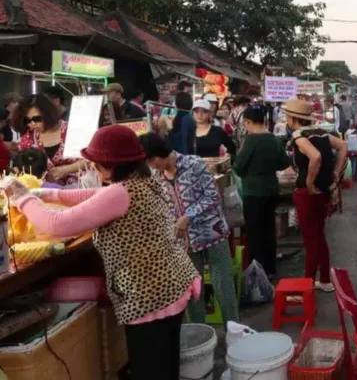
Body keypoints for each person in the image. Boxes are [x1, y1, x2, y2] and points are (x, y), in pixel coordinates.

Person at [0, 126, 199, 379]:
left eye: (97, 164)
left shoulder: (121, 192)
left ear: (112, 166)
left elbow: (56, 225)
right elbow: (94, 195)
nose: (93, 168)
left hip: (151, 296)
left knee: (151, 370)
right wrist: (46, 193)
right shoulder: (144, 180)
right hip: (173, 285)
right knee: (166, 365)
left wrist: (22, 197)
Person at [140, 133, 238, 327]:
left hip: (213, 233)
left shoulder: (194, 164)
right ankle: (200, 335)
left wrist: (188, 216)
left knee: (223, 284)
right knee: (193, 290)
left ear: (161, 152)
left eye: (152, 160)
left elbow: (212, 196)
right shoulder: (156, 178)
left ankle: (234, 331)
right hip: (183, 242)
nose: (151, 165)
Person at [285, 99, 347, 292]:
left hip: (308, 193)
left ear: (292, 118)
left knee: (311, 239)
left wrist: (309, 182)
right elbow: (343, 146)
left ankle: (308, 284)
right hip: (324, 191)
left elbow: (316, 157)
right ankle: (325, 280)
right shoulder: (321, 133)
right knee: (319, 236)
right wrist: (336, 172)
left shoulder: (299, 136)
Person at [232, 105, 291, 279]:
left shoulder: (250, 141)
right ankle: (271, 268)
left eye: (245, 123)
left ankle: (256, 272)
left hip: (253, 192)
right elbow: (283, 163)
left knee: (254, 233)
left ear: (248, 121)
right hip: (272, 189)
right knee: (269, 230)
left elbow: (238, 167)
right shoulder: (273, 139)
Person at [14, 94, 82, 186]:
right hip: (43, 192)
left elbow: (91, 160)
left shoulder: (73, 130)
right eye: (28, 120)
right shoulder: (28, 138)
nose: (32, 124)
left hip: (78, 188)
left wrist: (65, 170)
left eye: (37, 119)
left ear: (48, 114)